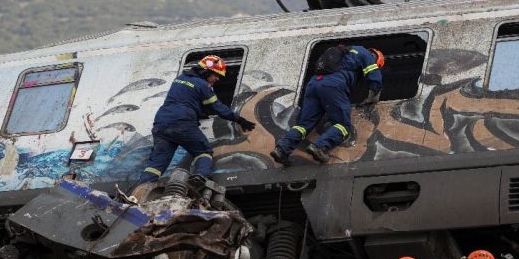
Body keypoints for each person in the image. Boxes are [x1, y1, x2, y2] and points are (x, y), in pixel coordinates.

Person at [138, 55, 256, 184]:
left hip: (161, 123)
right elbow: (218, 108)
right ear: (206, 72)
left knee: (156, 163)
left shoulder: (179, 79)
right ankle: (200, 179)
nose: (217, 79)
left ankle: (140, 190)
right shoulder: (203, 85)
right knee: (203, 152)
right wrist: (239, 120)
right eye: (216, 75)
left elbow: (185, 99)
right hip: (182, 123)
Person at [270, 45, 385, 165]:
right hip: (333, 85)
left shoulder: (343, 53)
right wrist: (372, 98)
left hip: (314, 84)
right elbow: (374, 76)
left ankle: (281, 149)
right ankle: (319, 147)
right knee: (343, 126)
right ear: (376, 59)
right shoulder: (364, 53)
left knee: (303, 125)